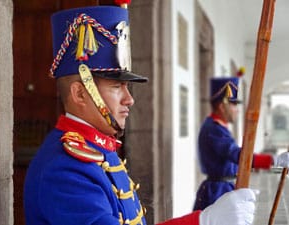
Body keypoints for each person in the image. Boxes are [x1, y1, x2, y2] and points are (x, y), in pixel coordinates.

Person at [24, 5, 258, 225]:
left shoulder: (100, 148)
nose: (130, 99)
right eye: (117, 87)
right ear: (80, 93)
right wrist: (204, 221)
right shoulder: (64, 168)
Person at [193, 77, 289, 211]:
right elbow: (238, 156)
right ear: (222, 106)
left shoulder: (218, 127)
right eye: (233, 105)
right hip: (217, 192)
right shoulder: (213, 129)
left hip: (224, 188)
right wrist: (274, 160)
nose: (237, 110)